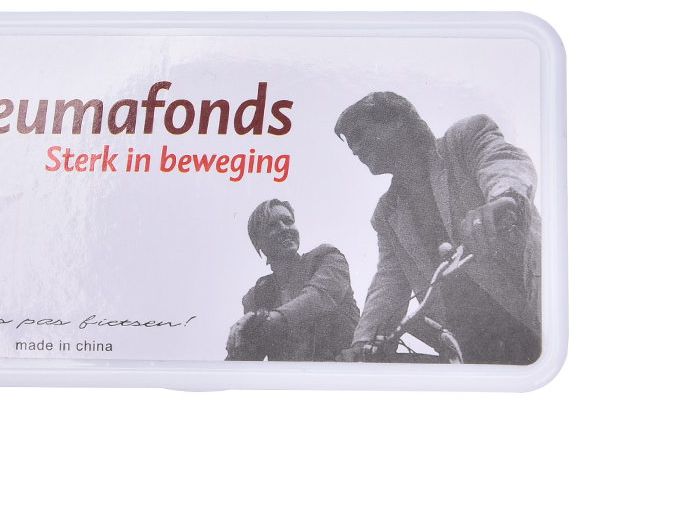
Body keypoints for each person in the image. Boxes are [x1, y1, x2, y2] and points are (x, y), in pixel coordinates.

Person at [334, 92, 542, 365]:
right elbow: (389, 279)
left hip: (531, 307)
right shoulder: (386, 212)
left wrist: (504, 197)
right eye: (350, 143)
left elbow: (501, 160)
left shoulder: (464, 139)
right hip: (470, 342)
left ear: (396, 120)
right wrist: (364, 341)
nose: (354, 149)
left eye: (358, 134)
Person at [225, 200, 359, 362]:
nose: (284, 228)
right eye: (272, 226)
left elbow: (318, 296)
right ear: (258, 242)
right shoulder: (257, 296)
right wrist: (238, 343)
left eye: (288, 221)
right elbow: (250, 354)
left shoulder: (326, 258)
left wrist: (268, 319)